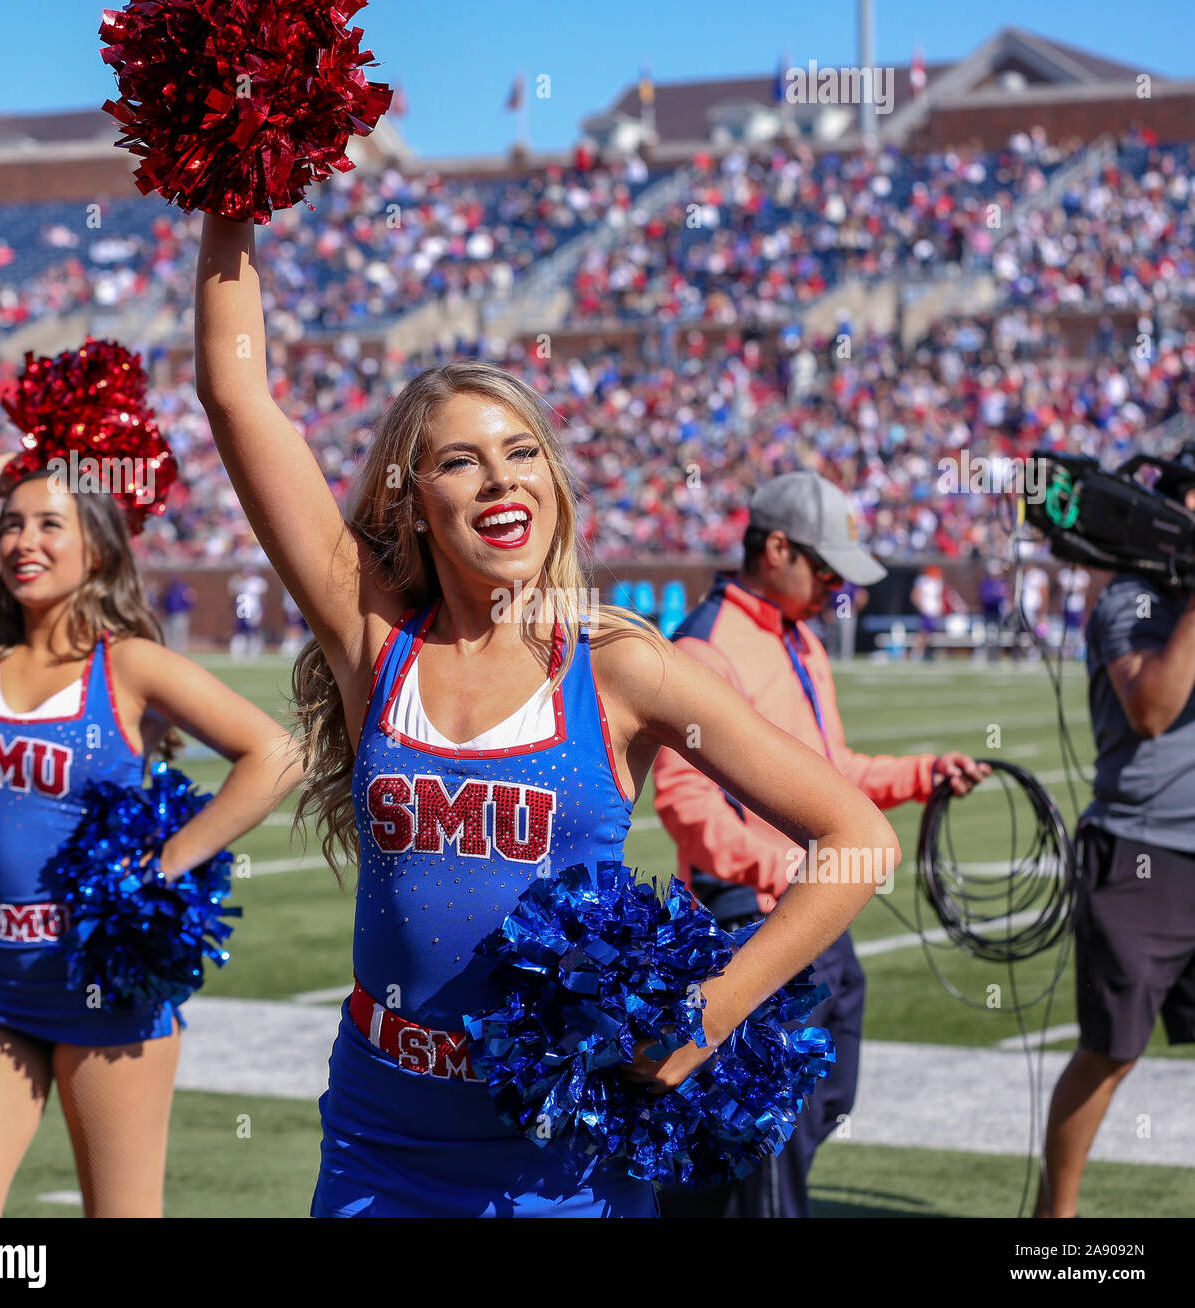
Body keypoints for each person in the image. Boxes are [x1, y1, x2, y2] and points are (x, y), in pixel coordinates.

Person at [194, 213, 903, 1219]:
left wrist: (705, 1018)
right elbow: (236, 395)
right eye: (459, 462)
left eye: (520, 452)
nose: (499, 479)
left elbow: (857, 840)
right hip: (380, 1134)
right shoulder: (375, 643)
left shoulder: (619, 668)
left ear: (553, 487)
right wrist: (230, 195)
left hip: (560, 1156)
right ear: (412, 502)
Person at [0, 449, 302, 1218]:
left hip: (106, 983)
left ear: (100, 550)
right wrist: (20, 465)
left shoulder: (129, 666)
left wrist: (170, 863)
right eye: (11, 526)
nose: (24, 541)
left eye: (51, 524)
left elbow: (276, 753)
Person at [652, 471, 990, 1218]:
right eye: (829, 569)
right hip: (749, 921)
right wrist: (788, 867)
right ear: (777, 549)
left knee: (820, 1102)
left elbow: (829, 773)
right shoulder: (706, 649)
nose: (840, 587)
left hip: (809, 915)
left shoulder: (799, 637)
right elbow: (685, 800)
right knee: (771, 1140)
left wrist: (922, 774)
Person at [1036, 465, 1195, 1218]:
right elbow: (1152, 709)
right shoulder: (1132, 598)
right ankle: (1054, 1218)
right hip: (1143, 855)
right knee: (1111, 1051)